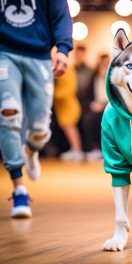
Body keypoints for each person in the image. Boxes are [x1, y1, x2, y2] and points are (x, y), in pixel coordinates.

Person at [0, 0, 73, 217]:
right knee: (8, 113)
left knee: (41, 128)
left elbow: (61, 15)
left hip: (40, 56)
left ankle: (30, 150)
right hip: (4, 53)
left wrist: (63, 48)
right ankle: (19, 188)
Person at [54, 66, 84, 161]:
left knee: (69, 126)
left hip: (69, 105)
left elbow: (70, 88)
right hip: (62, 106)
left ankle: (77, 149)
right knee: (66, 126)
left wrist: (55, 94)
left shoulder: (69, 70)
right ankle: (74, 148)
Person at [83, 54, 110, 160]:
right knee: (88, 119)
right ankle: (94, 148)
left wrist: (103, 105)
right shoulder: (93, 79)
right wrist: (92, 105)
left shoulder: (115, 80)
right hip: (96, 109)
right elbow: (86, 99)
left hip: (110, 108)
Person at [74, 46, 93, 153]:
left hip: (85, 101)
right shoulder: (71, 69)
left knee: (85, 123)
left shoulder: (89, 70)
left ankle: (86, 149)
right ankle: (77, 149)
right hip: (74, 100)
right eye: (77, 55)